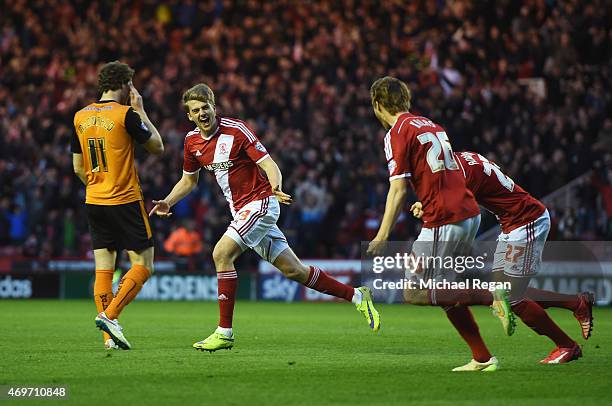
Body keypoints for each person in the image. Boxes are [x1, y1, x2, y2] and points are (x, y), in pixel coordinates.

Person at [149, 83, 380, 352]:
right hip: (242, 211)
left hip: (261, 204)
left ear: (214, 107)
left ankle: (224, 332)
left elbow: (268, 163)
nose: (202, 113)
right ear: (189, 115)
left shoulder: (236, 131)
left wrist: (276, 187)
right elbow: (189, 181)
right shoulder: (191, 142)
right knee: (295, 271)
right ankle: (357, 296)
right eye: (196, 110)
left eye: (205, 107)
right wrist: (168, 200)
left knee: (221, 254)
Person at [366, 76, 506, 372]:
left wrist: (382, 235)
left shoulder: (396, 133)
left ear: (378, 105)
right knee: (443, 289)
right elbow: (444, 172)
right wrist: (426, 199)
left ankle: (491, 295)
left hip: (445, 218)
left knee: (413, 292)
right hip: (468, 213)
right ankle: (482, 357)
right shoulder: (429, 124)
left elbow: (398, 189)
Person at [428, 151, 592, 363]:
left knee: (511, 298)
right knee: (506, 292)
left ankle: (567, 346)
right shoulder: (467, 157)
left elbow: (462, 207)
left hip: (526, 221)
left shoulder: (459, 173)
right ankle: (576, 303)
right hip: (512, 223)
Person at [71, 61, 164, 350]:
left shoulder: (80, 116)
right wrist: (141, 109)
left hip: (94, 200)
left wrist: (97, 187)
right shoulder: (126, 114)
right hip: (124, 199)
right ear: (124, 85)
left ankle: (108, 339)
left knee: (103, 269)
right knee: (144, 263)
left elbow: (77, 167)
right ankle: (111, 317)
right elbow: (158, 147)